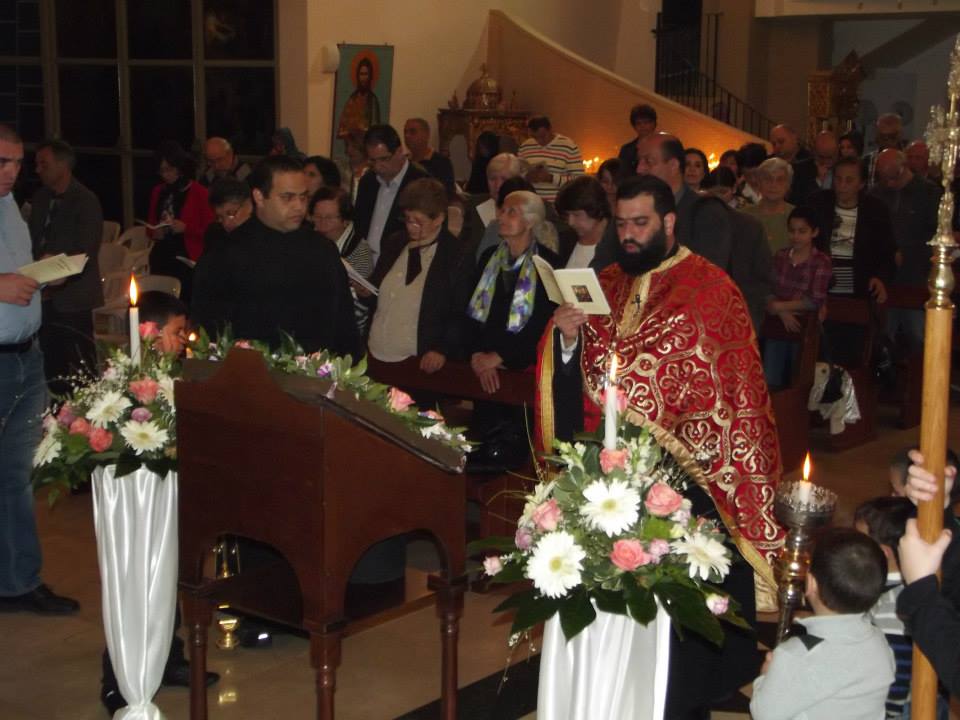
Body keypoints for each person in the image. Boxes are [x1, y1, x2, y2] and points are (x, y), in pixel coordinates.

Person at [540, 175, 783, 717]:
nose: (628, 235)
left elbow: (733, 392)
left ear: (669, 222)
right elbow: (585, 369)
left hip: (691, 475)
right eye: (622, 224)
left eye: (640, 223)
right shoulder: (605, 282)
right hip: (609, 474)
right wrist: (568, 338)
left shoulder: (711, 288)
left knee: (682, 644)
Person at [99, 290, 220, 715]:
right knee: (134, 579)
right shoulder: (121, 384)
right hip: (136, 500)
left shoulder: (177, 377)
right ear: (149, 334)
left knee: (170, 573)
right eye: (177, 332)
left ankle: (168, 657)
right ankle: (117, 675)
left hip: (171, 496)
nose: (184, 340)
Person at [0, 124, 79, 617]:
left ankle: (17, 581)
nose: (12, 172)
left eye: (16, 162)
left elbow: (17, 274)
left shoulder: (9, 204)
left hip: (27, 356)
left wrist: (42, 273)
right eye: (1, 162)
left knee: (16, 475)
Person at [191, 155, 359, 357]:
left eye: (303, 197)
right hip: (250, 370)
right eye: (287, 197)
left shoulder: (322, 250)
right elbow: (209, 327)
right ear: (259, 197)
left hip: (315, 371)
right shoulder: (226, 253)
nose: (299, 206)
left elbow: (344, 323)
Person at [750, 527, 894, 720]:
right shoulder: (880, 641)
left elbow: (764, 714)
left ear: (810, 584)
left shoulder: (798, 654)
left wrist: (765, 677)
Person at [465, 190, 559, 471]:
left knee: (510, 455)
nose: (501, 217)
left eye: (511, 212)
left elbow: (543, 323)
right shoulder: (489, 258)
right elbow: (472, 312)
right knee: (479, 450)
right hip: (484, 369)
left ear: (530, 222)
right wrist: (477, 354)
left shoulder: (547, 264)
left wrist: (501, 356)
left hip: (520, 370)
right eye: (502, 210)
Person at [27, 139, 104, 396]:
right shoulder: (41, 198)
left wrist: (54, 267)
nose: (38, 169)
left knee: (80, 364)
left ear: (63, 165)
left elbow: (86, 250)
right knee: (51, 362)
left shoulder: (85, 200)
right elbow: (34, 239)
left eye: (44, 164)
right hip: (43, 293)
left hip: (73, 296)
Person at [365, 178, 464, 372]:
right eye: (407, 219)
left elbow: (459, 310)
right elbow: (378, 292)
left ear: (439, 219)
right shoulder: (395, 242)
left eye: (418, 221)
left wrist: (441, 349)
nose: (410, 226)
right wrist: (366, 291)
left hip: (420, 362)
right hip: (377, 351)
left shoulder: (455, 254)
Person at [870, 148, 942, 354]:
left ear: (903, 169)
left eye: (892, 178)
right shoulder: (876, 193)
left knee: (918, 334)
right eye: (883, 178)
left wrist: (910, 252)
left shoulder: (928, 193)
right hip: (886, 275)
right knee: (883, 334)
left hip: (917, 275)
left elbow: (936, 233)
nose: (888, 184)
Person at [854, 496, 919, 720]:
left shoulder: (893, 606)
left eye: (859, 542)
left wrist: (888, 714)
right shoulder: (892, 588)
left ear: (883, 553)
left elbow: (899, 675)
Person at [763, 206, 832, 388]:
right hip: (777, 325)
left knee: (799, 381)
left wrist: (780, 306)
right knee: (770, 380)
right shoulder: (781, 256)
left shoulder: (821, 261)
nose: (796, 236)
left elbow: (815, 300)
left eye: (802, 231)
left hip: (805, 327)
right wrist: (780, 311)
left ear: (814, 232)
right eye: (792, 231)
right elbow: (768, 289)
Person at [146, 140, 214, 304]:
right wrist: (154, 231)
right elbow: (150, 225)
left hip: (186, 256)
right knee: (160, 302)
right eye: (162, 171)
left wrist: (186, 228)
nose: (166, 175)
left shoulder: (199, 193)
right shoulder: (159, 191)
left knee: (183, 301)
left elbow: (211, 231)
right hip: (163, 253)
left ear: (179, 167)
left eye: (169, 169)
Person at [354, 124, 430, 266]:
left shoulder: (420, 183)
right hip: (365, 265)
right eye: (372, 161)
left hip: (401, 265)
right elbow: (359, 225)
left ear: (399, 152)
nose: (378, 167)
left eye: (384, 159)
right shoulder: (368, 182)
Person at [309, 185, 373, 334]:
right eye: (317, 217)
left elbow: (359, 310)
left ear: (345, 220)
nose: (322, 224)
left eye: (329, 218)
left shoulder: (359, 251)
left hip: (345, 330)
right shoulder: (309, 241)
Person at [553, 175, 616, 269]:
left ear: (596, 209)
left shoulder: (618, 242)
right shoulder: (565, 239)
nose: (570, 222)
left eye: (577, 215)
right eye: (567, 215)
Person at [517, 116, 584, 202]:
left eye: (543, 136)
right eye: (535, 137)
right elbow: (516, 175)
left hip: (558, 202)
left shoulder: (568, 146)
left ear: (550, 129)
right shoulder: (525, 146)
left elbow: (578, 180)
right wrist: (526, 176)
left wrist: (550, 178)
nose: (539, 141)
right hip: (531, 202)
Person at [742, 156, 795, 255]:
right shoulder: (743, 216)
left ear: (788, 185)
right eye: (767, 179)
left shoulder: (796, 216)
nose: (773, 185)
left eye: (780, 180)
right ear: (759, 183)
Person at [336, 55, 382, 161]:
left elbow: (375, 128)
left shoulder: (372, 100)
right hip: (352, 146)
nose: (363, 78)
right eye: (361, 74)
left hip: (366, 148)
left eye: (366, 74)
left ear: (370, 76)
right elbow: (343, 126)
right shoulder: (352, 99)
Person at [403, 118, 455, 198]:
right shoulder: (403, 161)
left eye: (412, 132)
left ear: (426, 135)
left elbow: (447, 193)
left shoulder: (441, 162)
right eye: (405, 132)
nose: (407, 136)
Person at [617, 103, 657, 174]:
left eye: (646, 122)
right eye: (638, 123)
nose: (642, 126)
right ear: (634, 126)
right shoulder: (626, 149)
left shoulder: (663, 146)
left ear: (654, 124)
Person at [463, 131, 500, 196]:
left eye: (484, 147)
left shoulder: (496, 162)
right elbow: (473, 183)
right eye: (481, 147)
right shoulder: (479, 161)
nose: (482, 150)